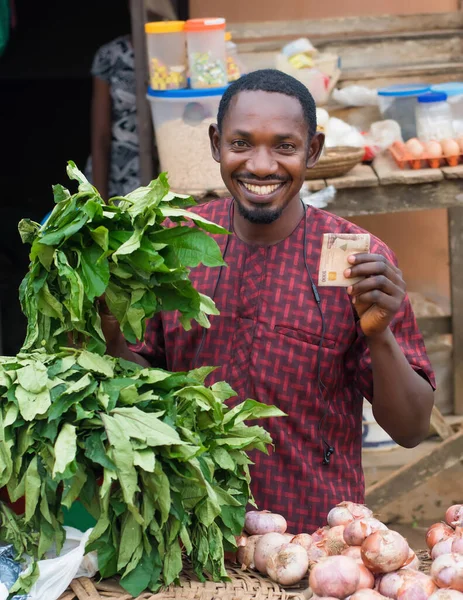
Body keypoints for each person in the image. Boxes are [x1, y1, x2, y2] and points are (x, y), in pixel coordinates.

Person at [101, 69, 435, 532]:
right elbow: (136, 394)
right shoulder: (172, 246)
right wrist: (110, 334)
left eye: (284, 146)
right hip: (190, 537)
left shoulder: (354, 259)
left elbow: (412, 430)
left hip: (316, 545)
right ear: (217, 144)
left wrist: (378, 337)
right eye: (241, 144)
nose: (261, 165)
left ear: (311, 151)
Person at [84, 0, 177, 199]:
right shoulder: (109, 56)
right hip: (118, 175)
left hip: (168, 169)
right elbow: (101, 134)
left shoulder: (178, 53)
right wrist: (100, 198)